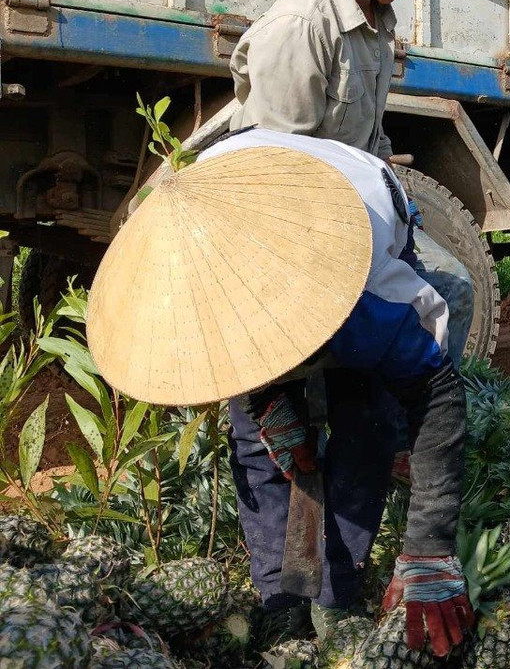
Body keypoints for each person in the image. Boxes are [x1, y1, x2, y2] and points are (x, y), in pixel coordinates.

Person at [87, 128, 473, 655]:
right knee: (255, 439)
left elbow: (436, 392)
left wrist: (429, 549)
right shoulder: (185, 256)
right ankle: (280, 599)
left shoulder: (369, 301)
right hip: (241, 215)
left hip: (349, 230)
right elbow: (228, 341)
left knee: (365, 419)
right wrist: (265, 400)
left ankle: (336, 596)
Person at [226, 0, 474, 368]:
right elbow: (276, 174)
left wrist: (396, 206)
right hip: (307, 228)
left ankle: (414, 411)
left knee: (455, 289)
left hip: (357, 216)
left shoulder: (374, 20)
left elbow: (369, 138)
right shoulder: (301, 27)